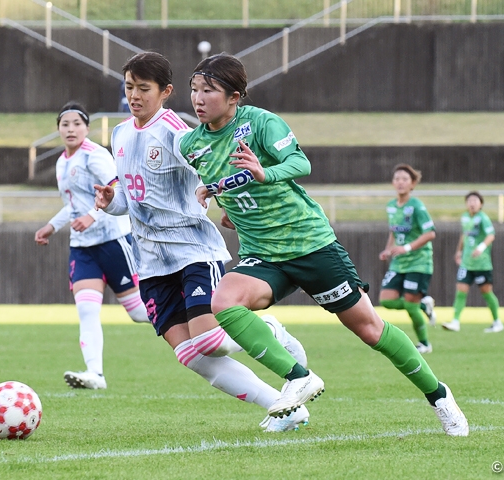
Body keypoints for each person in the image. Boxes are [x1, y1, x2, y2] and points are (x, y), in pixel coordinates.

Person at [182, 53, 468, 435]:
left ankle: (439, 396)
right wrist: (218, 199)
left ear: (235, 97)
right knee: (223, 302)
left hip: (310, 244)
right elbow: (231, 187)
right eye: (194, 90)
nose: (199, 99)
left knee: (370, 330)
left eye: (209, 90)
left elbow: (300, 165)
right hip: (262, 254)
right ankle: (298, 376)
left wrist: (265, 173)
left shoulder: (261, 123)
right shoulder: (191, 144)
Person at [94, 52, 309, 432]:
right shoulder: (120, 134)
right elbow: (131, 198)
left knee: (212, 341)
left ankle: (273, 332)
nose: (135, 96)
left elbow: (213, 175)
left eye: (144, 89)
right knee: (192, 355)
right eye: (129, 87)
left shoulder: (178, 134)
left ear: (166, 92)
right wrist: (113, 203)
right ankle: (286, 408)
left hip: (193, 251)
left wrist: (225, 203)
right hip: (151, 262)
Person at [35, 101, 150, 391]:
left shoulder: (95, 156)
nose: (71, 128)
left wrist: (92, 215)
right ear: (59, 129)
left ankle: (199, 320)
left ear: (87, 128)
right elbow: (73, 206)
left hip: (113, 242)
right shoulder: (63, 162)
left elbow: (117, 191)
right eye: (65, 124)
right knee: (87, 311)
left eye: (77, 123)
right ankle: (95, 374)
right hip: (83, 249)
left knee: (138, 313)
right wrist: (52, 226)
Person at [378, 164, 437, 354]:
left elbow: (430, 233)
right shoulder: (391, 206)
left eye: (405, 179)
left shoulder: (417, 206)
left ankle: (425, 344)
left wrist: (407, 248)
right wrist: (388, 250)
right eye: (397, 178)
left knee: (410, 307)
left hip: (419, 262)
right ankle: (423, 304)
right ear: (392, 182)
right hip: (399, 263)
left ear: (412, 184)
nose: (400, 182)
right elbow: (393, 232)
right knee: (386, 300)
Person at [442, 191, 503, 333]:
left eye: (475, 200)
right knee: (461, 290)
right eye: (469, 200)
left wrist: (481, 248)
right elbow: (464, 235)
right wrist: (459, 251)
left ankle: (497, 322)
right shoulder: (465, 217)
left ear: (481, 204)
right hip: (466, 263)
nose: (472, 203)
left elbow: (491, 235)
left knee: (486, 292)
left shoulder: (483, 218)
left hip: (481, 264)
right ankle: (455, 322)